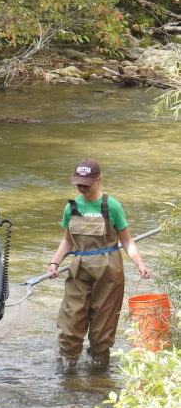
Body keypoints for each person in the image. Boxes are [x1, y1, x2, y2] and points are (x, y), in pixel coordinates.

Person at [46, 158, 150, 368]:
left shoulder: (111, 205)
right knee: (71, 319)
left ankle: (99, 368)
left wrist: (140, 264)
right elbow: (67, 240)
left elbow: (127, 240)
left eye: (86, 184)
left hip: (108, 270)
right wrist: (55, 263)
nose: (82, 188)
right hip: (80, 268)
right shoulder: (72, 207)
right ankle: (69, 368)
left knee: (103, 325)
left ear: (98, 179)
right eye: (78, 184)